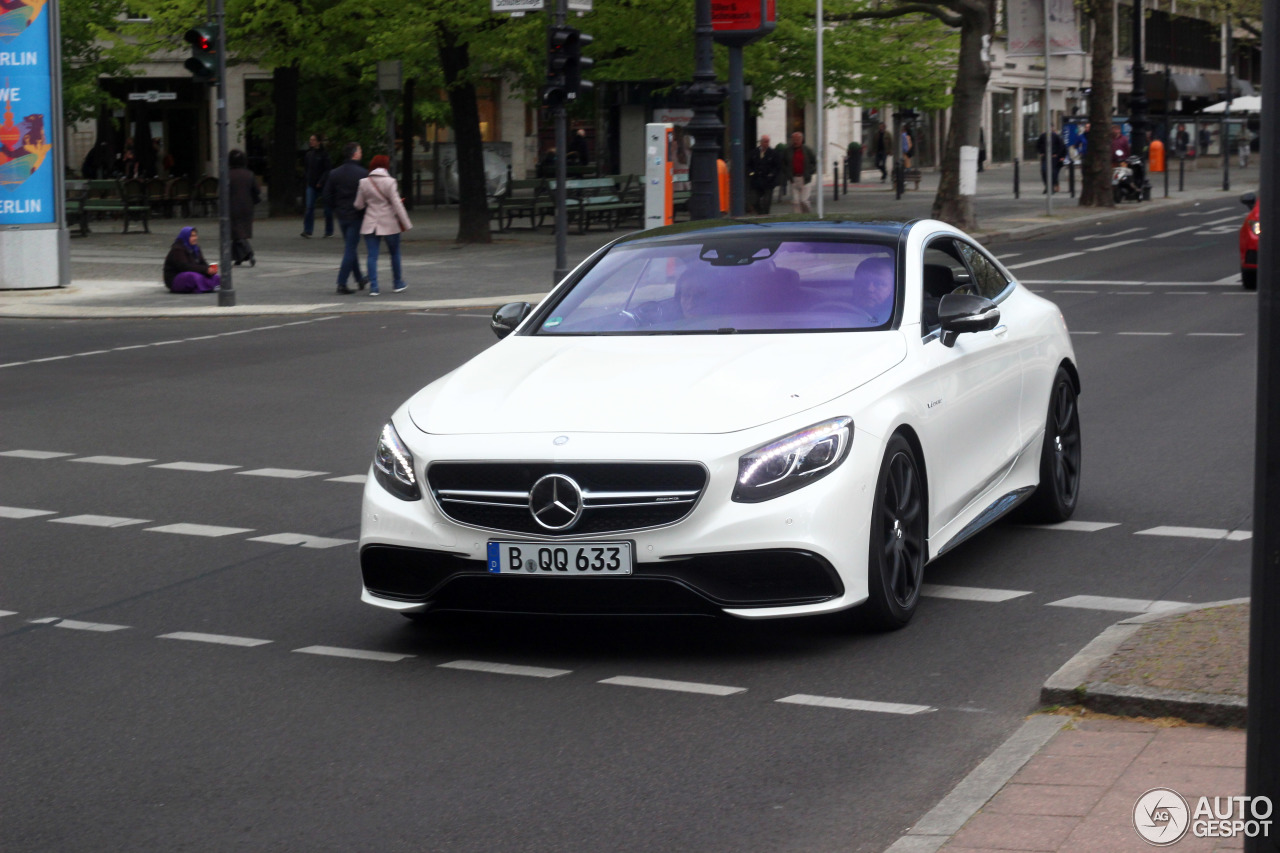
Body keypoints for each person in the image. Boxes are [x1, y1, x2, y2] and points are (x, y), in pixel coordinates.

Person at [354, 154, 412, 297]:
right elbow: (397, 204)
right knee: (395, 253)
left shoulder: (364, 182)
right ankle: (397, 283)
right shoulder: (390, 182)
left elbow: (358, 205)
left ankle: (374, 287)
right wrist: (406, 223)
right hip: (389, 223)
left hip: (370, 223)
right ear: (386, 166)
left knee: (372, 256)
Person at [322, 142, 369, 294]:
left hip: (342, 215)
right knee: (350, 248)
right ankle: (341, 282)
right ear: (355, 154)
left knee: (351, 246)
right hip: (356, 215)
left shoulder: (335, 173)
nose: (361, 153)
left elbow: (327, 195)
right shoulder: (362, 173)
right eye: (360, 150)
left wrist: (336, 207)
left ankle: (359, 278)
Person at [163, 226, 220, 293]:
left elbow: (202, 262)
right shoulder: (177, 249)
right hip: (176, 278)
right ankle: (208, 286)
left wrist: (209, 270)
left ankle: (206, 286)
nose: (195, 238)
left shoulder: (196, 248)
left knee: (215, 277)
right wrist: (205, 270)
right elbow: (185, 267)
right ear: (186, 237)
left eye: (195, 236)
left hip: (195, 272)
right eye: (192, 236)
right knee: (193, 277)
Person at [227, 149, 260, 266]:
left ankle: (249, 253)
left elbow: (222, 192)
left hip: (232, 206)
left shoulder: (228, 175)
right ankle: (239, 257)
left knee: (237, 233)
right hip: (247, 206)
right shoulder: (249, 174)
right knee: (240, 232)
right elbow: (257, 190)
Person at [301, 133, 334, 238]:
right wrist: (308, 178)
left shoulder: (324, 154)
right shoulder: (309, 155)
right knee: (309, 207)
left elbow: (328, 169)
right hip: (311, 184)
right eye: (311, 140)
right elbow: (307, 169)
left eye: (313, 140)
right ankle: (308, 230)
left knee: (327, 209)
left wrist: (321, 181)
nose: (311, 142)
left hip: (323, 184)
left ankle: (329, 230)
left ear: (318, 142)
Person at [850, 256, 894, 325]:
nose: (869, 289)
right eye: (863, 281)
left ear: (892, 289)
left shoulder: (896, 320)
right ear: (854, 285)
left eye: (879, 283)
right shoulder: (836, 312)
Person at [779, 131, 816, 214]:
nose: (796, 141)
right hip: (794, 178)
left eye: (798, 139)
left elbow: (813, 162)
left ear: (802, 140)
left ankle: (807, 215)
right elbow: (783, 163)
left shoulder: (807, 150)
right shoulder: (788, 151)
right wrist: (788, 173)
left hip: (805, 178)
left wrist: (810, 171)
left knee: (804, 200)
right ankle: (797, 218)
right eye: (794, 139)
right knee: (795, 202)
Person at [746, 134, 779, 214]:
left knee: (766, 201)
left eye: (768, 142)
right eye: (765, 142)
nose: (766, 144)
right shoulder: (754, 153)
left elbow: (777, 166)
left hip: (768, 181)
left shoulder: (773, 153)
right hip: (756, 180)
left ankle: (765, 214)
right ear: (761, 142)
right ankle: (760, 213)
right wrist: (751, 173)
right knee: (754, 200)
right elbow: (748, 164)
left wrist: (771, 174)